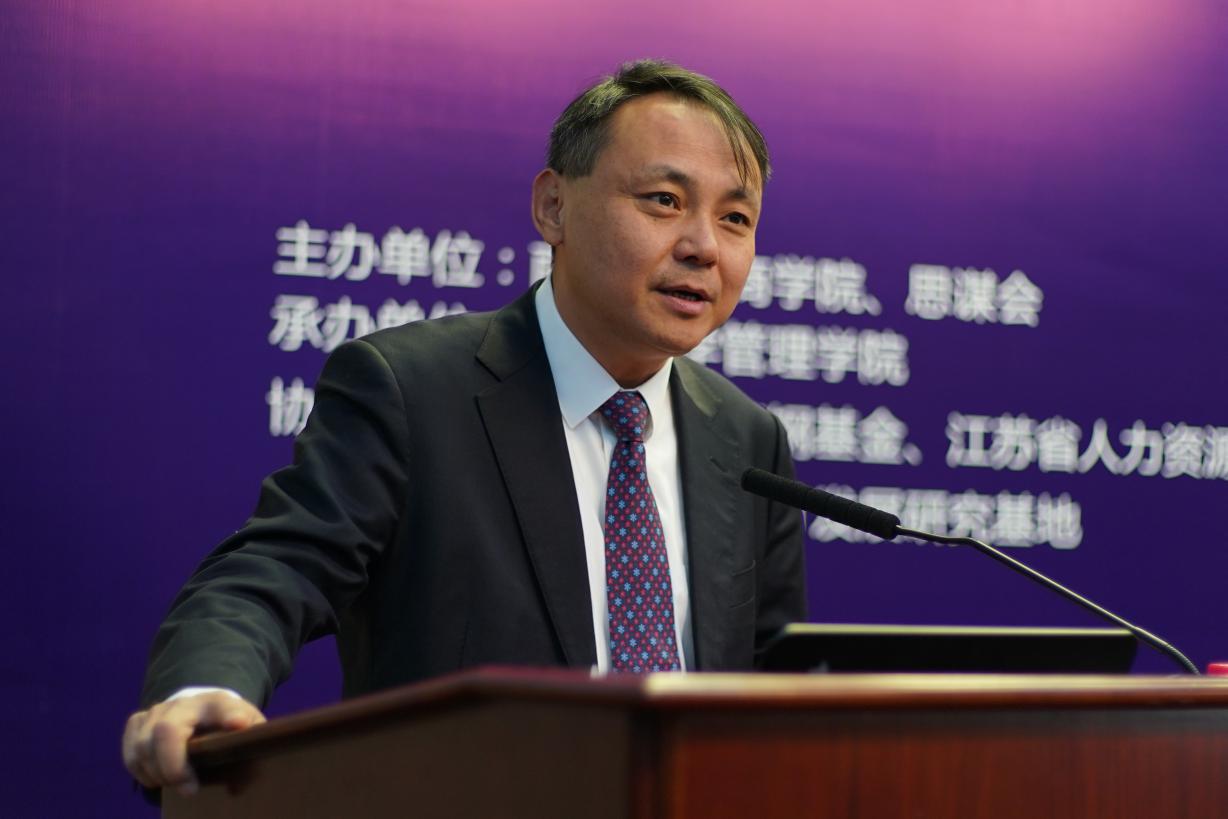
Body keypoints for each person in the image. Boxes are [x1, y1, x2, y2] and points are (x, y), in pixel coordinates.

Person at [123, 59, 807, 795]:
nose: (704, 245)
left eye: (736, 219)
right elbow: (275, 570)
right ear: (553, 207)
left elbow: (774, 676)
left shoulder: (747, 437)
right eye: (665, 200)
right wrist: (203, 687)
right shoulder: (410, 389)